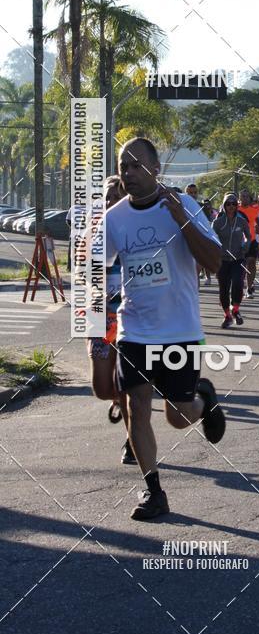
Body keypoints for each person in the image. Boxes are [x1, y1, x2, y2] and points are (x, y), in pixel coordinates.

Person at [105, 137, 224, 520]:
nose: (129, 173)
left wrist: (183, 221)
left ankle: (202, 400)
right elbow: (95, 267)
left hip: (179, 330)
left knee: (178, 415)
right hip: (134, 329)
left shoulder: (183, 205)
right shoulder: (116, 217)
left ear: (156, 169)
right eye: (124, 166)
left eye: (137, 165)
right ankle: (153, 491)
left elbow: (215, 261)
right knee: (137, 407)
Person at [87, 176, 134, 465]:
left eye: (115, 196)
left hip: (131, 317)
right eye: (106, 197)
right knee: (102, 388)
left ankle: (133, 439)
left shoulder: (137, 231)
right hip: (100, 315)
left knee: (130, 386)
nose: (109, 201)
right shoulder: (96, 232)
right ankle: (118, 399)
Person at [212, 194, 251, 328]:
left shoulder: (242, 221)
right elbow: (211, 238)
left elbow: (248, 236)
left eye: (234, 204)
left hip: (238, 258)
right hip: (222, 259)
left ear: (237, 206)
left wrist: (246, 245)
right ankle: (227, 315)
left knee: (238, 283)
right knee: (224, 288)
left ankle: (235, 309)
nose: (231, 206)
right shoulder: (217, 222)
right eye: (228, 204)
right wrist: (216, 249)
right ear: (224, 205)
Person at [238, 189, 259, 297]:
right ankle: (239, 286)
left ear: (250, 198)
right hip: (238, 241)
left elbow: (258, 221)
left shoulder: (255, 210)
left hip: (251, 240)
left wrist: (258, 227)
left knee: (251, 263)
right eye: (243, 196)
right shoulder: (235, 209)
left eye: (247, 196)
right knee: (240, 265)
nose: (245, 198)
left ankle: (249, 287)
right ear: (239, 198)